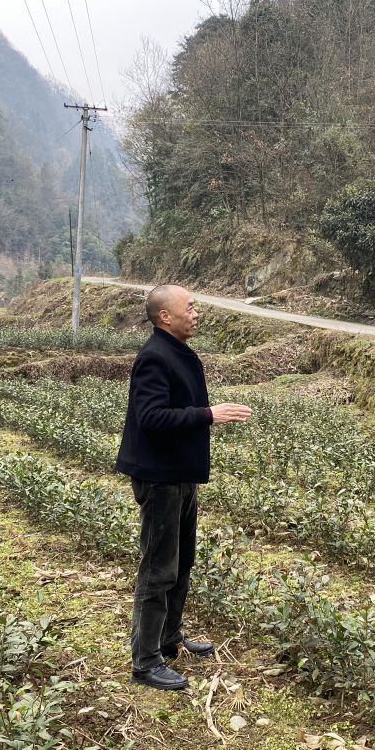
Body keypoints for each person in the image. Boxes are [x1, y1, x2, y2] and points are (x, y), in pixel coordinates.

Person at [116, 284, 252, 690]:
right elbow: (153, 418)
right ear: (165, 317)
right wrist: (209, 414)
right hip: (160, 477)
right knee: (158, 570)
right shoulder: (154, 357)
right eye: (189, 307)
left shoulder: (176, 351)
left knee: (183, 560)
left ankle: (169, 637)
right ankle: (145, 660)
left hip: (180, 473)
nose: (196, 313)